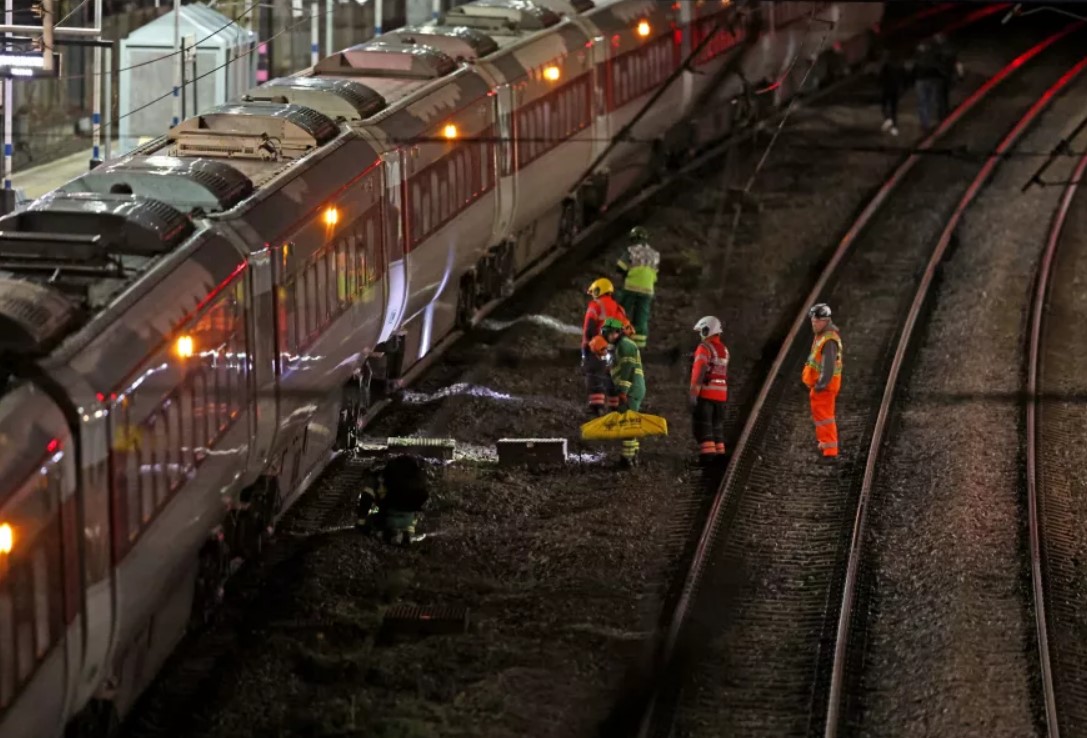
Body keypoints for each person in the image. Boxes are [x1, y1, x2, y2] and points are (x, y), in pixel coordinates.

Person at [599, 317, 646, 468]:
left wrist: (623, 391)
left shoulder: (625, 345)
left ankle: (627, 459)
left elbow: (628, 370)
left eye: (609, 334)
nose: (607, 337)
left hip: (631, 389)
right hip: (632, 388)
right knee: (630, 421)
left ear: (616, 332)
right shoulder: (620, 346)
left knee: (627, 423)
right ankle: (633, 455)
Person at [356, 455, 430, 545]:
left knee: (371, 522)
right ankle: (405, 534)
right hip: (408, 518)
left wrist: (361, 522)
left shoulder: (378, 480)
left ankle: (386, 535)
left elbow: (367, 498)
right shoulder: (412, 478)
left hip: (390, 517)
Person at [582, 278, 630, 415]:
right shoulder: (619, 309)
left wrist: (587, 347)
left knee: (595, 376)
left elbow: (589, 329)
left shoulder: (595, 306)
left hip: (597, 348)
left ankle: (597, 408)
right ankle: (614, 408)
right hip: (614, 349)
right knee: (612, 378)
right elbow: (624, 329)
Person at [801, 303, 843, 460]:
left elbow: (828, 367)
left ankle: (830, 451)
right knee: (821, 417)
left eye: (817, 321)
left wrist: (820, 385)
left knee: (825, 417)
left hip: (825, 387)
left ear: (825, 321)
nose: (814, 323)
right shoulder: (822, 337)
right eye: (813, 320)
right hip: (820, 386)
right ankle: (825, 444)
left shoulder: (829, 341)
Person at [690, 316, 729, 462]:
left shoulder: (704, 347)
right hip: (721, 396)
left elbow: (699, 371)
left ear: (707, 330)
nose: (701, 335)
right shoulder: (724, 350)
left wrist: (694, 393)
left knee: (703, 426)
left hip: (706, 394)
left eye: (702, 331)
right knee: (717, 427)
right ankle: (719, 456)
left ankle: (708, 458)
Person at [615, 226, 660, 349]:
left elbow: (620, 267)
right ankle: (638, 345)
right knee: (641, 317)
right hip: (648, 290)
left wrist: (625, 274)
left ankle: (614, 337)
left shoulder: (632, 250)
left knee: (621, 312)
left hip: (631, 286)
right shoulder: (655, 254)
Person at [912, 39, 944, 133]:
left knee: (925, 102)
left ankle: (927, 123)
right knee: (926, 102)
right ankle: (927, 123)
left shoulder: (926, 53)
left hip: (925, 79)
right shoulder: (933, 51)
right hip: (927, 79)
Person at [933, 33, 963, 121]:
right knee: (945, 95)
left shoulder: (936, 50)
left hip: (939, 76)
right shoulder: (951, 49)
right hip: (948, 75)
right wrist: (960, 75)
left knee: (939, 97)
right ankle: (945, 113)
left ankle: (941, 116)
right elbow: (957, 63)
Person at [878, 49, 905, 136]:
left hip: (887, 89)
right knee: (894, 109)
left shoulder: (885, 66)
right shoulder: (898, 65)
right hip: (895, 89)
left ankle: (888, 119)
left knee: (884, 106)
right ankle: (894, 126)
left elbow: (881, 77)